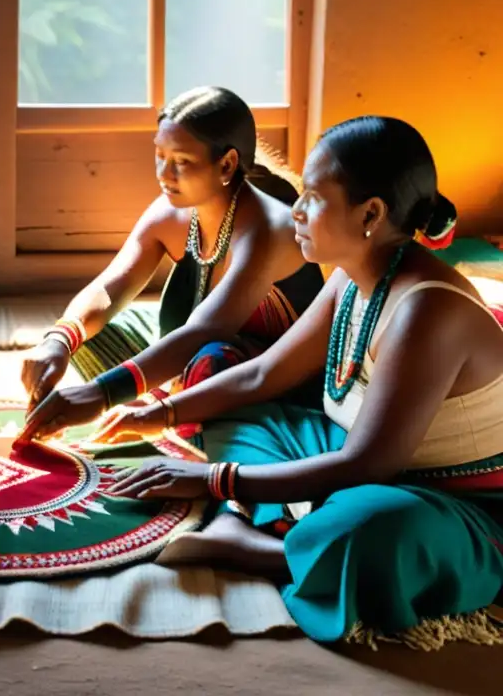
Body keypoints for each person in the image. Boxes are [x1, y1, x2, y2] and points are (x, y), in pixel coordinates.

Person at [88, 116, 503, 647]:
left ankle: (264, 547)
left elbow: (369, 464)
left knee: (376, 528)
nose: (297, 211)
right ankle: (293, 520)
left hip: (452, 502)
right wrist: (162, 412)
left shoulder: (427, 311)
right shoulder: (353, 279)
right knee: (230, 393)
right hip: (360, 455)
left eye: (312, 196)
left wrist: (217, 480)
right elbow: (263, 373)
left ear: (370, 214)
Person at [19, 86, 325, 442]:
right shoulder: (171, 212)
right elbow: (110, 286)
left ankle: (182, 424)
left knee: (211, 361)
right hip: (195, 356)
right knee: (91, 332)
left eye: (181, 162)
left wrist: (101, 394)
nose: (165, 174)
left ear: (226, 164)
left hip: (271, 381)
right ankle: (164, 401)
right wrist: (59, 340)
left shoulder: (268, 229)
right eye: (159, 155)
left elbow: (204, 331)